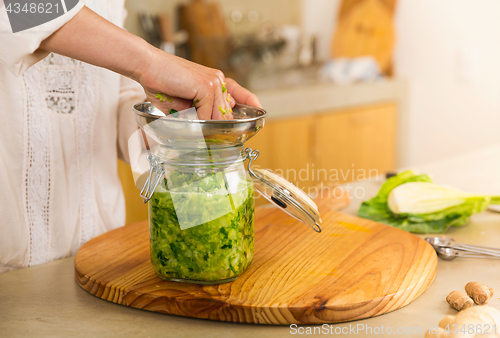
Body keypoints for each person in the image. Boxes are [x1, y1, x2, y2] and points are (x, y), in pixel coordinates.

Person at [0, 0, 261, 272]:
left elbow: (115, 96)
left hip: (99, 258)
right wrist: (150, 61)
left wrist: (175, 121)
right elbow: (14, 10)